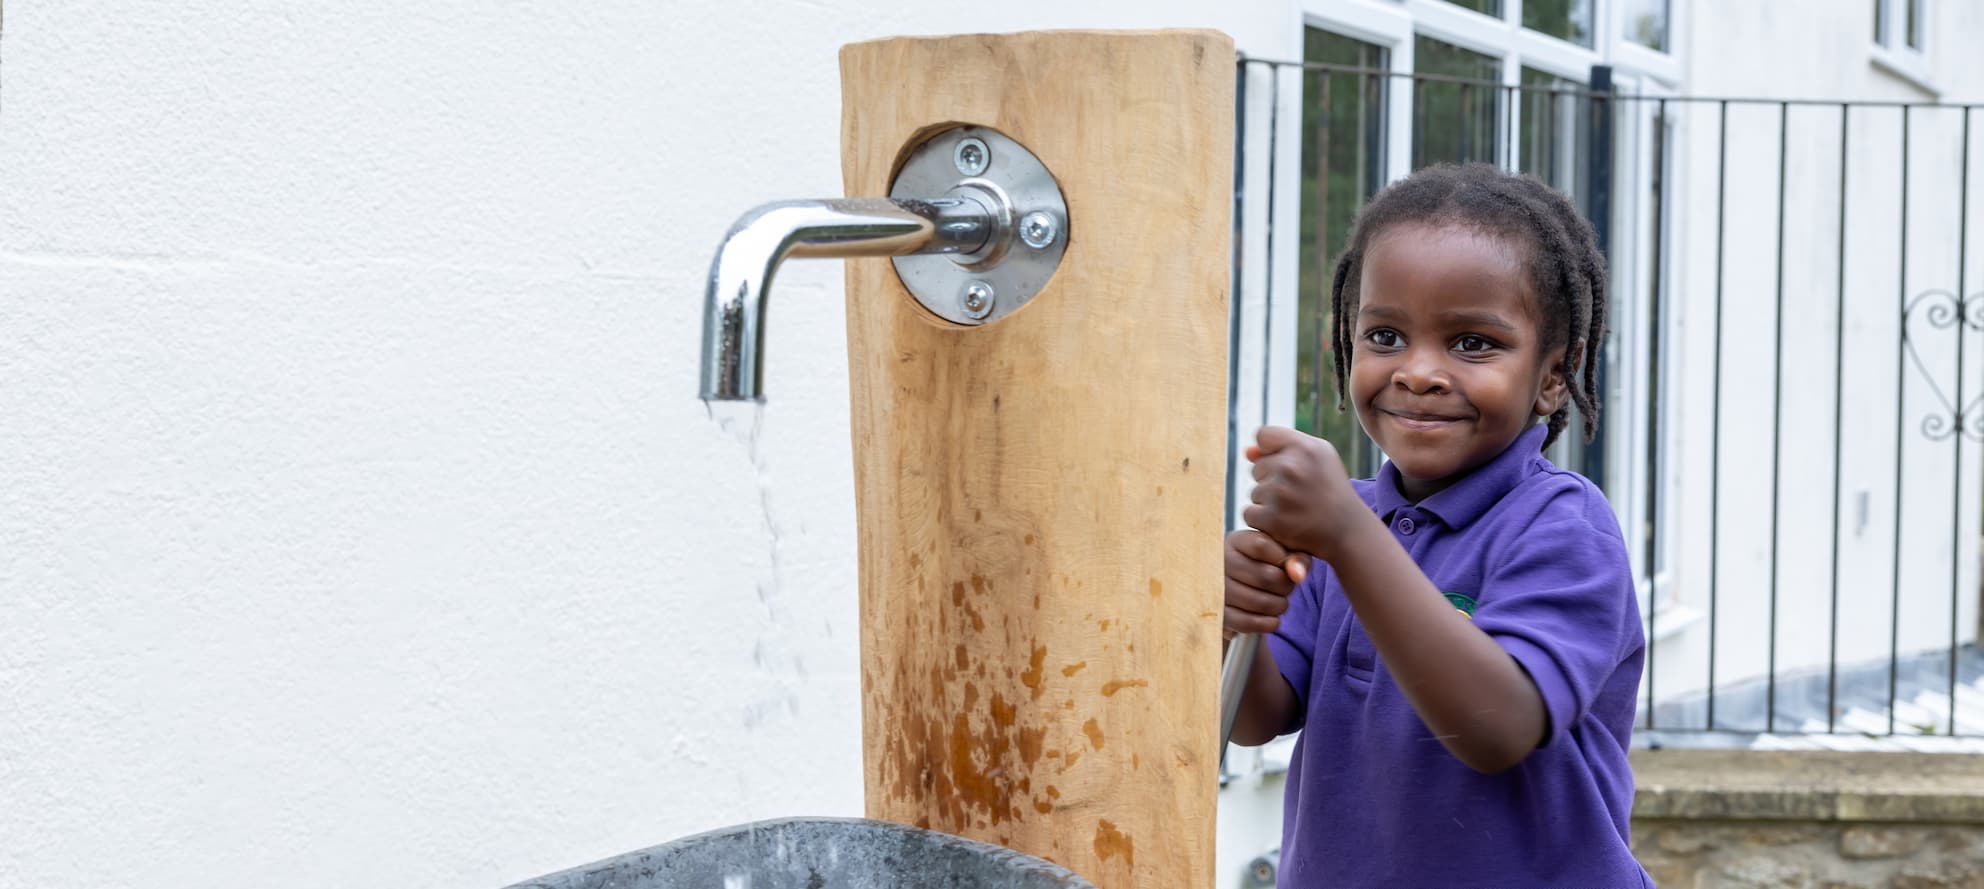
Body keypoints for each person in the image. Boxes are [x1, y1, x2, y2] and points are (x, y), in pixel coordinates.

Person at [1223, 163, 1650, 886]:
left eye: (1473, 342)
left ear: (1553, 375)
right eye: (1385, 335)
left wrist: (1349, 537)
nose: (1418, 372)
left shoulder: (1562, 526)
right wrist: (1235, 616)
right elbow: (1256, 718)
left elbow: (1497, 728)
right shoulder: (1337, 526)